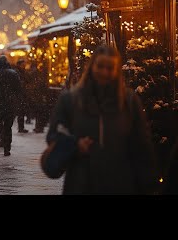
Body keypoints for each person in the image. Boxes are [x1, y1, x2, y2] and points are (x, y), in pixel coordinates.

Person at [45, 45, 157, 194]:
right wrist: (75, 145)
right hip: (81, 183)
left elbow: (142, 146)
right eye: (100, 66)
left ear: (116, 71)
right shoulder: (70, 100)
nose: (105, 72)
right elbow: (54, 135)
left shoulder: (129, 102)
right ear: (92, 66)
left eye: (110, 68)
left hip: (121, 185)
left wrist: (148, 183)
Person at [14, 59, 29, 133]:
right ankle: (20, 128)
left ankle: (21, 127)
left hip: (22, 94)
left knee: (22, 111)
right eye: (23, 65)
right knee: (20, 111)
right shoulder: (17, 72)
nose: (24, 66)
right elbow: (18, 83)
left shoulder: (22, 71)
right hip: (19, 94)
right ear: (19, 65)